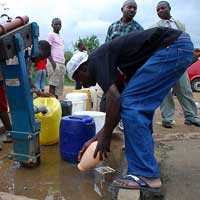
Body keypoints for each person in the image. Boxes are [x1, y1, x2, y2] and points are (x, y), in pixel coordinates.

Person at [66, 27, 194, 191]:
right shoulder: (112, 64)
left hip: (171, 47)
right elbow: (118, 106)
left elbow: (115, 99)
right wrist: (97, 138)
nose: (83, 84)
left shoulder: (96, 60)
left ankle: (146, 175)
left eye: (79, 79)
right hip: (176, 47)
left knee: (133, 105)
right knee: (135, 105)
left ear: (83, 68)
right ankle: (145, 164)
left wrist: (105, 138)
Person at [152, 1, 200, 128]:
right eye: (157, 9)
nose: (160, 11)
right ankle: (167, 119)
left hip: (180, 62)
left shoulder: (180, 24)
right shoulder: (155, 27)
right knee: (165, 92)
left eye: (162, 8)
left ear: (169, 8)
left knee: (185, 89)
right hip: (165, 62)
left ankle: (192, 117)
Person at [103, 0, 144, 130]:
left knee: (127, 95)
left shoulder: (138, 28)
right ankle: (108, 122)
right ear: (122, 9)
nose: (132, 10)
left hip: (129, 68)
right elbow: (107, 46)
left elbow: (142, 49)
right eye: (130, 7)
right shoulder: (113, 26)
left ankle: (123, 121)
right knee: (111, 95)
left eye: (135, 8)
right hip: (114, 67)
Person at [46, 18, 65, 99]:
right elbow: (47, 50)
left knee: (58, 87)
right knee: (53, 84)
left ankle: (56, 104)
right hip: (54, 62)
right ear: (52, 25)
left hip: (61, 63)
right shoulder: (51, 35)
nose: (58, 26)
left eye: (59, 24)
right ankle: (52, 104)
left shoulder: (59, 37)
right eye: (56, 24)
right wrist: (53, 62)